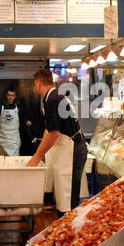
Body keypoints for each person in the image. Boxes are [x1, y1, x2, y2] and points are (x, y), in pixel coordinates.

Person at [26, 68, 87, 213]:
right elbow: (49, 130)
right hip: (71, 149)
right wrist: (39, 153)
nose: (36, 87)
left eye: (35, 84)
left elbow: (54, 133)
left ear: (38, 83)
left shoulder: (53, 99)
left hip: (72, 151)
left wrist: (37, 156)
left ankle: (71, 230)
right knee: (65, 195)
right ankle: (66, 227)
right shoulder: (55, 96)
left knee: (68, 197)